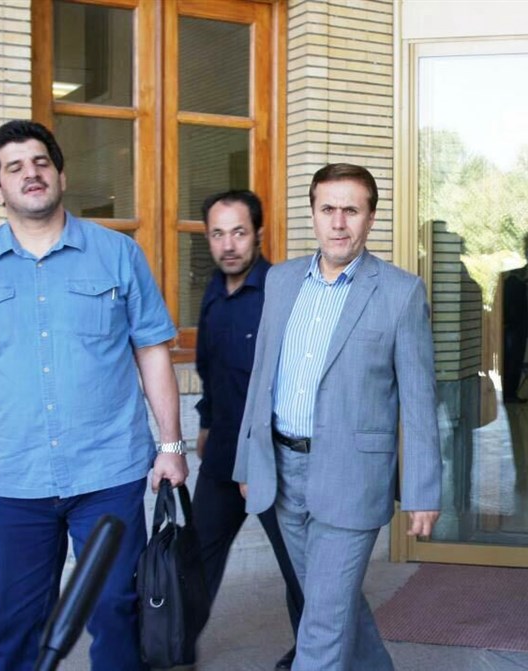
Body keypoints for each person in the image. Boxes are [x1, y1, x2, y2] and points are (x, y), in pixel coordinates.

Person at [0, 120, 187, 671]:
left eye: (41, 162)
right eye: (14, 167)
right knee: (17, 625)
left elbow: (152, 350)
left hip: (108, 473)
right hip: (15, 478)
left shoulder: (117, 253)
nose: (31, 173)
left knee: (116, 612)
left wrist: (171, 446)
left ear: (61, 175)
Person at [233, 163, 442, 670]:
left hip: (352, 475)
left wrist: (422, 490)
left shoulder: (400, 292)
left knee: (322, 621)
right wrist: (247, 462)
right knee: (330, 601)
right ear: (313, 213)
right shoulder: (281, 280)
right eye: (328, 209)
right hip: (284, 471)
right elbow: (261, 377)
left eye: (351, 210)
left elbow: (418, 400)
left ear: (370, 218)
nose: (339, 222)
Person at [193, 190, 303, 670]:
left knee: (298, 567)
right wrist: (205, 422)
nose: (228, 245)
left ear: (258, 233)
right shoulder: (213, 293)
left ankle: (311, 655)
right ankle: (172, 650)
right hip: (222, 456)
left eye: (238, 232)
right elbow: (209, 368)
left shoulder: (282, 293)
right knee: (195, 559)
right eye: (218, 234)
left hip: (271, 460)